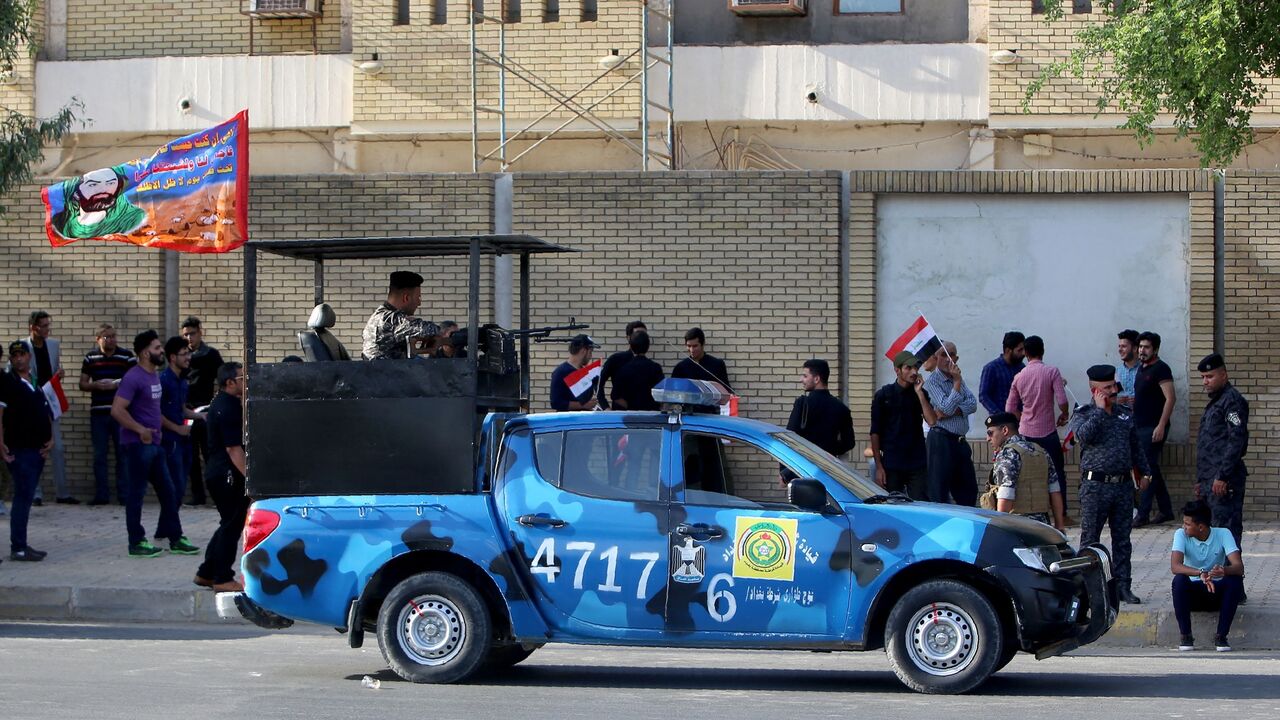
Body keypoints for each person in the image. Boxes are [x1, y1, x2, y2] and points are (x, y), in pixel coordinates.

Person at [111, 330, 199, 558]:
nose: (161, 351)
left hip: (156, 446)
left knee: (170, 493)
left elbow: (154, 412)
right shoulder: (133, 377)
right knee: (136, 495)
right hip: (137, 446)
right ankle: (136, 542)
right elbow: (117, 410)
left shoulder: (153, 377)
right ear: (144, 353)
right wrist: (140, 430)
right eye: (157, 348)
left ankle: (175, 537)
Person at [1068, 364, 1151, 605]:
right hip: (1095, 487)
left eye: (1113, 386)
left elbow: (1136, 446)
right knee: (1091, 539)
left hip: (1122, 486)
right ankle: (1089, 590)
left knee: (1122, 540)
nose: (1113, 391)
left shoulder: (1125, 413)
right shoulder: (1084, 413)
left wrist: (1146, 473)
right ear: (1094, 390)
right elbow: (1082, 437)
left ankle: (1123, 586)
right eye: (1106, 388)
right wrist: (1100, 412)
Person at [195, 363, 249, 593]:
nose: (246, 382)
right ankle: (222, 577)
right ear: (230, 382)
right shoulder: (227, 407)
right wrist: (251, 478)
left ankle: (206, 572)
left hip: (219, 473)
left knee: (227, 523)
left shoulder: (222, 403)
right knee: (231, 525)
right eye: (242, 378)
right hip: (227, 474)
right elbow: (233, 449)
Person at [1005, 335, 1070, 515]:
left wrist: (1023, 416)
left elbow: (1009, 407)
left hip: (1026, 432)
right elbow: (1062, 399)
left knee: (1026, 475)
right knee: (1057, 473)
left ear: (1025, 353)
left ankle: (1027, 512)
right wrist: (1064, 413)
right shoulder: (1052, 372)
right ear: (1043, 351)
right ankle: (1061, 514)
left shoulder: (1019, 377)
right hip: (1048, 432)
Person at [0, 341, 52, 561]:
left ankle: (21, 544)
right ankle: (18, 547)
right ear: (10, 359)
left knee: (27, 496)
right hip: (19, 449)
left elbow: (45, 410)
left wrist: (50, 439)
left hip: (36, 449)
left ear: (29, 357)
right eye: (15, 356)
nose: (19, 358)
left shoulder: (34, 381)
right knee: (22, 497)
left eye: (22, 354)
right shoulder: (8, 382)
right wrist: (1, 444)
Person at [1170, 499, 1244, 652]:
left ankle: (1221, 636)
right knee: (1179, 580)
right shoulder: (1181, 535)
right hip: (1194, 593)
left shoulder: (1223, 534)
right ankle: (1186, 635)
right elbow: (1175, 566)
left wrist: (1224, 570)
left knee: (1235, 580)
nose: (1184, 527)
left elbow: (1239, 567)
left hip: (1216, 592)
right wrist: (1200, 572)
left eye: (1188, 524)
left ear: (1201, 527)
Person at [19, 310, 76, 505]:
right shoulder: (22, 346)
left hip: (50, 402)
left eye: (47, 325)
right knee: (34, 448)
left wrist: (59, 374)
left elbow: (53, 369)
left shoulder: (53, 345)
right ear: (33, 327)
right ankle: (35, 494)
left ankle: (62, 493)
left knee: (57, 448)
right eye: (43, 326)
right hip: (30, 404)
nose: (47, 329)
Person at [1194, 353, 1248, 549]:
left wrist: (1223, 476)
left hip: (1224, 481)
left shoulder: (1231, 401)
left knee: (1226, 536)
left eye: (1210, 377)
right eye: (1203, 378)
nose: (1205, 382)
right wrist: (1201, 481)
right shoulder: (1216, 402)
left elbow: (1236, 440)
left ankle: (1231, 579)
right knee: (1211, 538)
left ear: (1224, 375)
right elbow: (1209, 445)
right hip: (1210, 480)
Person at [78, 322, 135, 506]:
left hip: (121, 413)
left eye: (113, 336)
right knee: (99, 455)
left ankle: (125, 496)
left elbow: (135, 379)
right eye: (107, 337)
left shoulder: (126, 356)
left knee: (123, 454)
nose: (111, 340)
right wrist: (95, 385)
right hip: (99, 414)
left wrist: (116, 384)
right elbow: (82, 384)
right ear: (98, 339)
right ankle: (102, 495)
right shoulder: (90, 358)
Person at [981, 411, 1065, 530]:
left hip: (1018, 526)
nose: (987, 439)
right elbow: (1055, 491)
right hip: (1043, 525)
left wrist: (999, 529)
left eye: (990, 433)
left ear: (1005, 430)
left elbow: (1005, 495)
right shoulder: (1041, 451)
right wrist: (1060, 526)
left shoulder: (1007, 454)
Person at [921, 342, 978, 505]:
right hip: (941, 440)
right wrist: (957, 384)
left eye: (952, 354)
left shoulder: (957, 377)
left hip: (959, 441)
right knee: (939, 492)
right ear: (936, 358)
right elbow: (945, 406)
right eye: (944, 355)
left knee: (968, 491)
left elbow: (972, 404)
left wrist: (950, 411)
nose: (948, 359)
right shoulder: (932, 381)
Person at [868, 351, 929, 500]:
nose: (914, 372)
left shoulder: (920, 393)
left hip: (916, 461)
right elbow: (875, 432)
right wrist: (879, 467)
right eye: (908, 368)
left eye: (916, 367)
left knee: (920, 504)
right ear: (897, 370)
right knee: (893, 504)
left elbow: (932, 421)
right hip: (892, 461)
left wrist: (920, 393)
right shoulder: (884, 395)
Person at [1133, 331, 1176, 527]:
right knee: (1152, 469)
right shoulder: (1141, 368)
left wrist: (1161, 425)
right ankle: (1166, 510)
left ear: (1155, 349)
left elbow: (1170, 398)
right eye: (1140, 347)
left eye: (1146, 347)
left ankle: (1143, 514)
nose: (1142, 350)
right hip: (1139, 425)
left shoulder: (1161, 369)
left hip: (1153, 427)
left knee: (1147, 470)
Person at [182, 316, 224, 507]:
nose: (189, 338)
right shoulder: (181, 356)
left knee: (210, 456)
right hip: (186, 412)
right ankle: (197, 497)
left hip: (206, 411)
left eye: (192, 334)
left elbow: (223, 380)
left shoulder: (211, 355)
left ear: (200, 333)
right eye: (185, 335)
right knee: (190, 459)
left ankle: (217, 496)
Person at [160, 336, 205, 511]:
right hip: (169, 440)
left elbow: (182, 410)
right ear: (172, 357)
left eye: (188, 353)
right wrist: (177, 428)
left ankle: (167, 528)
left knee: (179, 485)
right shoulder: (163, 380)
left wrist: (202, 416)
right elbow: (157, 413)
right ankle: (170, 529)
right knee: (174, 485)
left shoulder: (182, 381)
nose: (188, 357)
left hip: (182, 440)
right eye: (184, 354)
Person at [49, 165, 147, 239]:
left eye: (110, 183)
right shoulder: (61, 222)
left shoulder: (132, 218)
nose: (103, 190)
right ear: (77, 191)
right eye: (93, 185)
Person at [362, 270, 441, 360]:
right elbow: (425, 329)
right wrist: (447, 333)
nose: (419, 303)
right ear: (406, 298)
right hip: (385, 373)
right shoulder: (389, 319)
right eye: (418, 297)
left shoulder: (381, 316)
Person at [787, 359, 856, 458]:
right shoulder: (841, 408)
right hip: (827, 467)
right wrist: (829, 451)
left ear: (816, 379)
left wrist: (784, 471)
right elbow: (849, 443)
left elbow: (790, 437)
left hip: (803, 465)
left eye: (805, 376)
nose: (801, 379)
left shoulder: (802, 404)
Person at [610, 330, 665, 411]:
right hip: (652, 416)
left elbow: (615, 396)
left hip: (630, 418)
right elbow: (663, 393)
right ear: (647, 347)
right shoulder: (656, 368)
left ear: (631, 347)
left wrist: (629, 407)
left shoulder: (623, 369)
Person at [597, 320, 647, 409]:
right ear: (628, 338)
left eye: (644, 335)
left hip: (644, 414)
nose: (641, 337)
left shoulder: (651, 366)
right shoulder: (616, 360)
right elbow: (598, 384)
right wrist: (605, 408)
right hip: (620, 414)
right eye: (638, 334)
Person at [979, 331, 1025, 416]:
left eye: (1024, 349)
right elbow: (983, 396)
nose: (1023, 353)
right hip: (1000, 422)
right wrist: (1000, 414)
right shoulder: (991, 368)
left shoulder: (1022, 368)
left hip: (1020, 421)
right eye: (1019, 350)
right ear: (1008, 350)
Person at [549, 334, 599, 412]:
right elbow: (556, 403)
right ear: (583, 351)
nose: (590, 356)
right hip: (569, 422)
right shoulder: (560, 372)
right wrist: (584, 405)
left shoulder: (585, 372)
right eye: (590, 352)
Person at [1115, 329, 1140, 409]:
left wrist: (1141, 399)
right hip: (1120, 418)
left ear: (1135, 348)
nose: (1120, 350)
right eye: (1119, 346)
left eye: (1124, 346)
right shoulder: (1116, 372)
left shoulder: (1146, 370)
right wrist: (1115, 400)